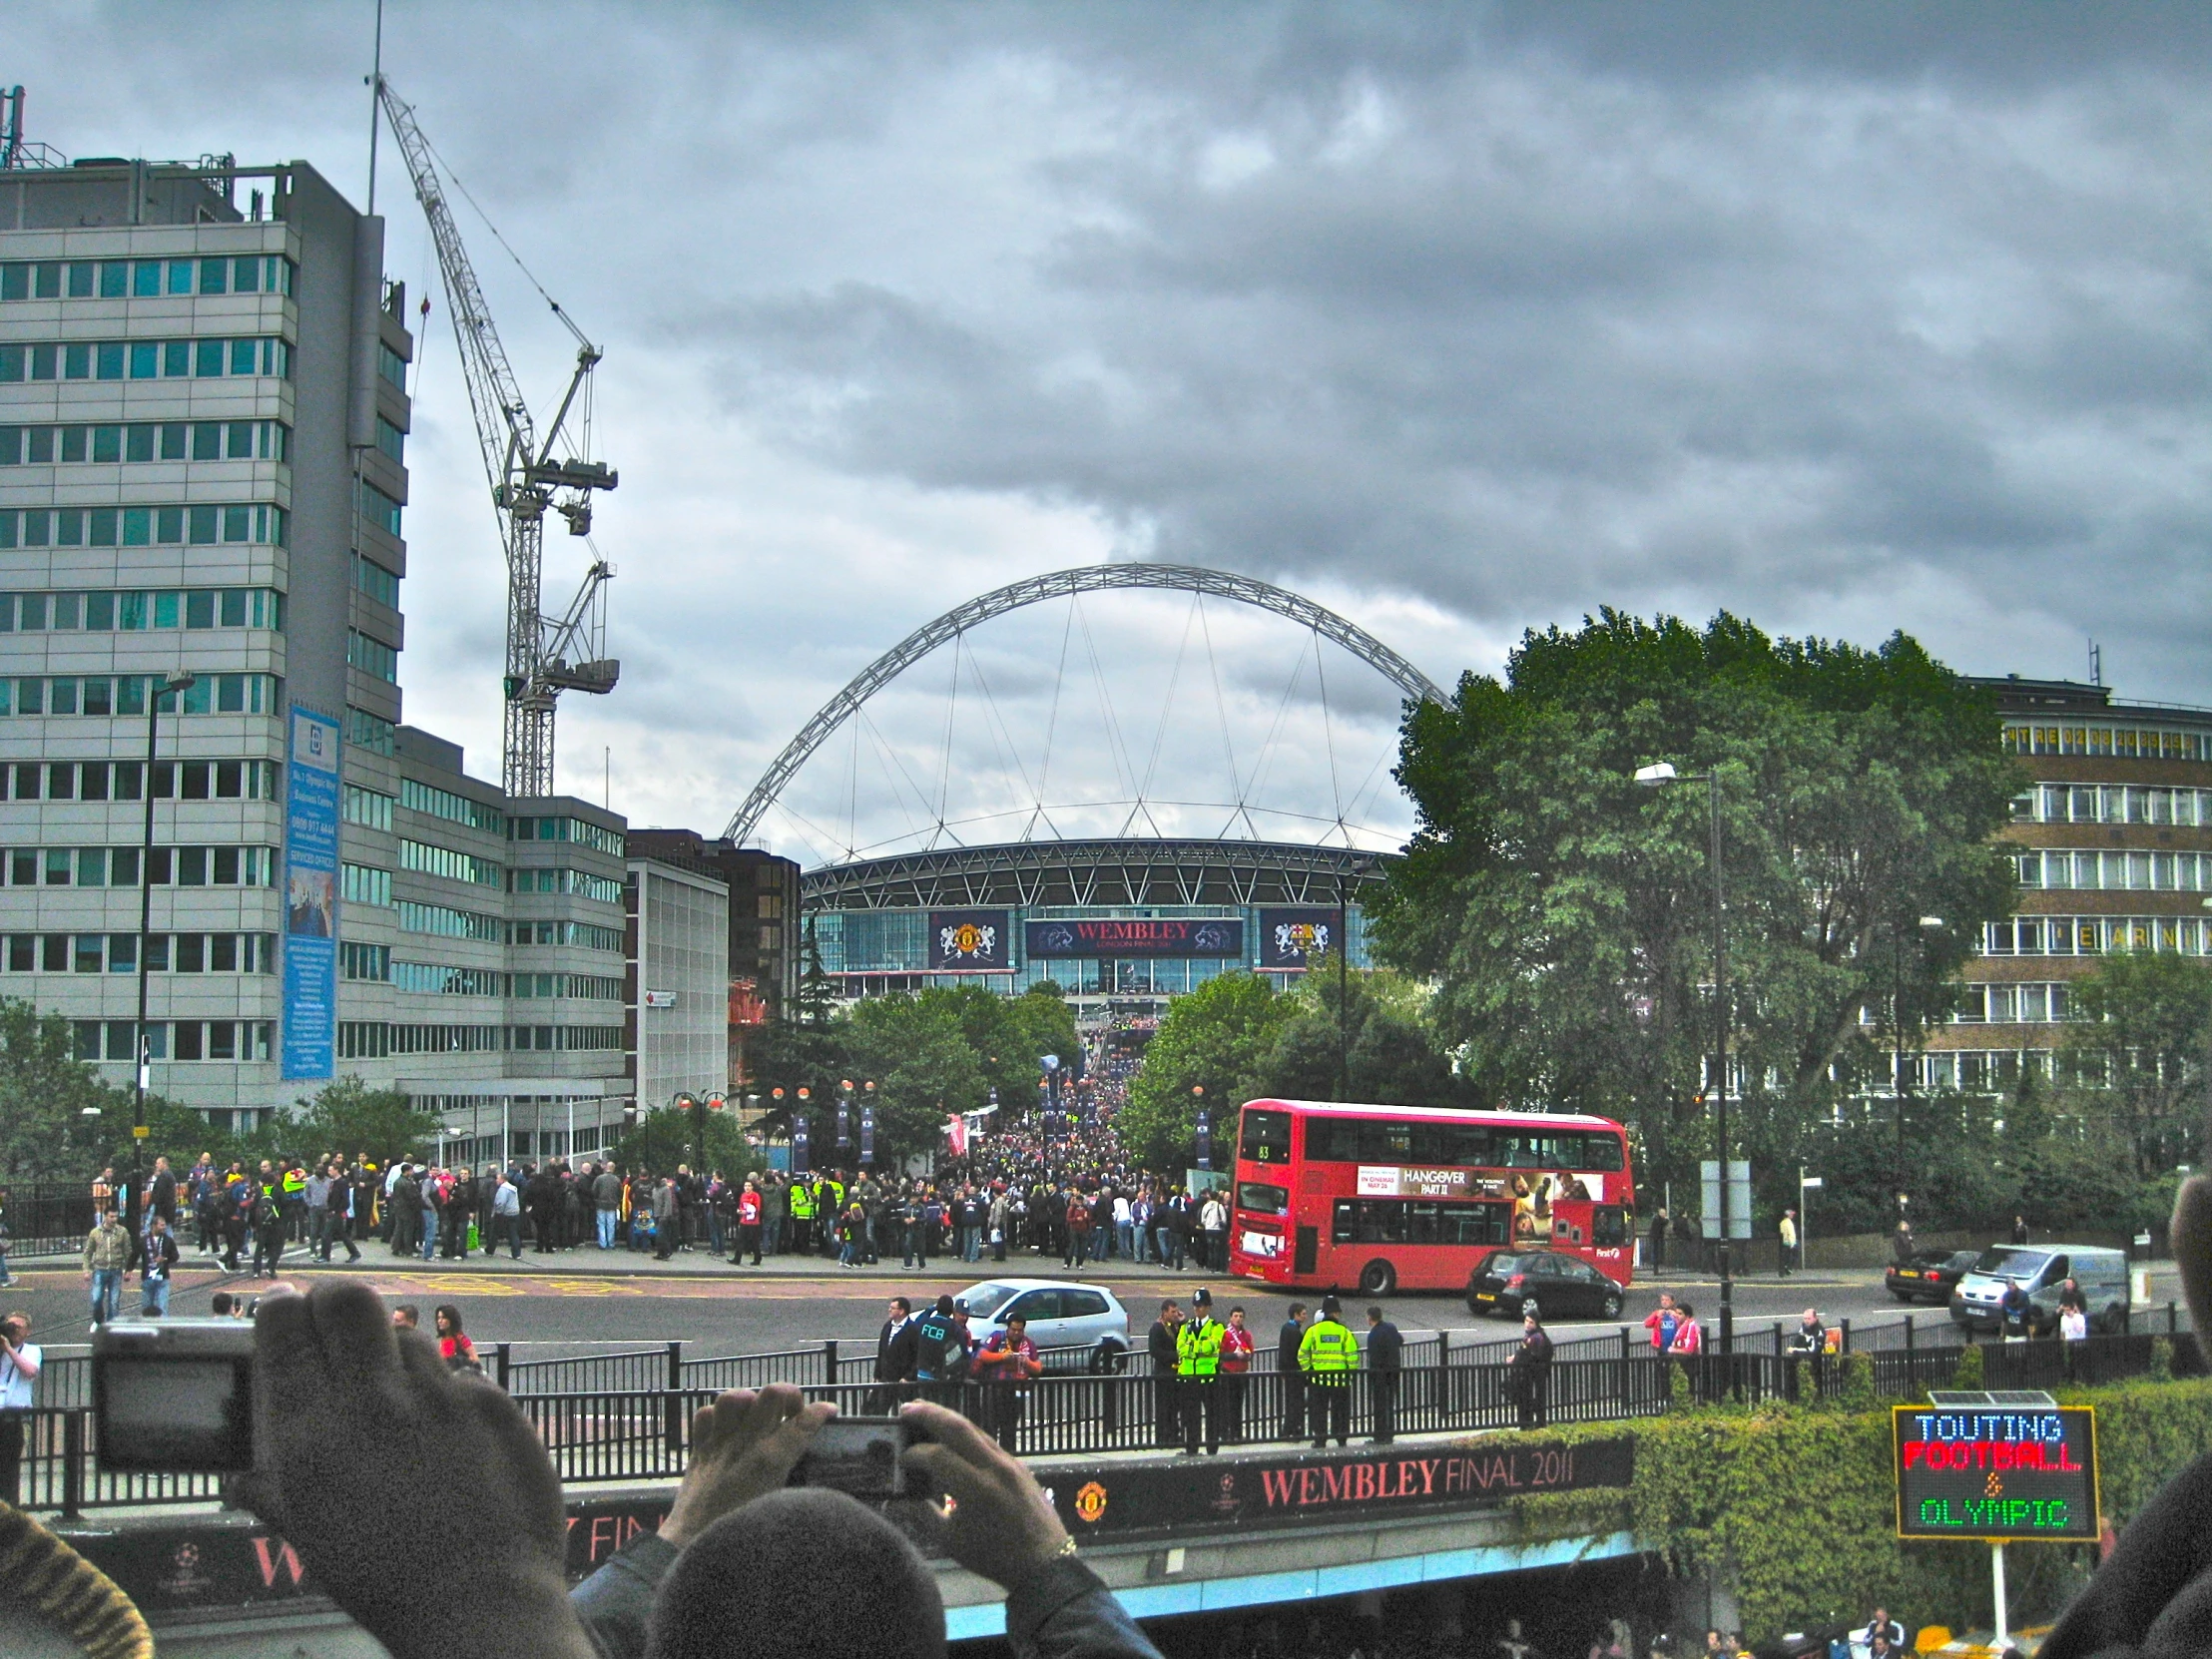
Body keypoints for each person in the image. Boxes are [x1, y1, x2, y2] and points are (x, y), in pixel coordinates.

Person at [973, 1312, 1043, 1450]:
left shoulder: (1028, 1343)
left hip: (1016, 1391)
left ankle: (1008, 1457)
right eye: (1013, 1329)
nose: (1016, 1333)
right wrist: (1002, 1357)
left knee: (1009, 1429)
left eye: (1020, 1330)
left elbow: (1038, 1368)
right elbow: (982, 1355)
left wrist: (1027, 1362)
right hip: (994, 1389)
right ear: (1008, 1328)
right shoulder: (997, 1337)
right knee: (990, 1427)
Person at [1299, 1294, 1358, 1448]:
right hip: (1340, 1380)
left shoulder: (1312, 1331)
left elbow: (1302, 1354)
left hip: (1318, 1380)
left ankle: (1320, 1440)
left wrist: (1309, 1370)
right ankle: (1341, 1439)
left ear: (1324, 1313)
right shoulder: (1344, 1332)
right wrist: (1350, 1373)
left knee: (1319, 1412)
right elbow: (1352, 1357)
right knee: (1341, 1412)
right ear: (1337, 1313)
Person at [1176, 1287, 1225, 1456]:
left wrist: (1192, 1348)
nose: (1197, 1309)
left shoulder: (1216, 1326)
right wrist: (1198, 1349)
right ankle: (1192, 1449)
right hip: (1189, 1378)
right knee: (1190, 1418)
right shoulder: (1186, 1326)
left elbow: (1212, 1346)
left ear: (1208, 1307)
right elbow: (1180, 1348)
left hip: (1208, 1378)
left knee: (1212, 1416)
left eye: (1201, 1306)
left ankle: (1212, 1449)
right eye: (1195, 1305)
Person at [0, 1312, 40, 1507]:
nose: (13, 1330)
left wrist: (8, 1349)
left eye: (18, 1327)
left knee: (9, 1467)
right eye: (10, 1326)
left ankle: (10, 1509)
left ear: (28, 1332)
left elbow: (30, 1371)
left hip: (15, 1418)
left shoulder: (32, 1350)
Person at [869, 1297, 917, 1413]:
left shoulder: (912, 1329)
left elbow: (917, 1356)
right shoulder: (887, 1327)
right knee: (879, 1411)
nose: (889, 1310)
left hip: (903, 1381)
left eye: (892, 1308)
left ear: (901, 1311)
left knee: (911, 1411)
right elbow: (881, 1352)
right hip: (887, 1379)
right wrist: (877, 1375)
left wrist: (908, 1376)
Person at [1509, 1307, 1554, 1430]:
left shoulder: (1535, 1337)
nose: (1528, 1324)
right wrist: (1515, 1356)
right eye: (1526, 1321)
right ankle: (1536, 1422)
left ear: (1536, 1323)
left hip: (1534, 1372)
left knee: (1529, 1399)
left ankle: (1529, 1424)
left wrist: (1516, 1358)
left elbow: (1529, 1353)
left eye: (1531, 1322)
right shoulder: (1536, 1335)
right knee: (1535, 1398)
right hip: (1535, 1372)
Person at [1147, 1300, 1182, 1448]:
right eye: (1172, 1312)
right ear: (1164, 1312)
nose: (1175, 1314)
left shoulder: (1175, 1326)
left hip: (1175, 1373)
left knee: (1174, 1406)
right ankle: (1163, 1437)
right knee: (1163, 1407)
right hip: (1163, 1374)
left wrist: (1182, 1321)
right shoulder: (1157, 1328)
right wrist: (1174, 1355)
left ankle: (1174, 1435)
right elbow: (1155, 1351)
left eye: (1176, 1311)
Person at [83, 1208, 129, 1324]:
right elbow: (88, 1252)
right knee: (96, 1298)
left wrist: (128, 1270)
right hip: (99, 1270)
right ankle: (98, 1321)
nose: (114, 1219)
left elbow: (127, 1251)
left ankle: (111, 1325)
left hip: (116, 1270)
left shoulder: (122, 1232)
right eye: (111, 1216)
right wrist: (86, 1269)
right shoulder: (95, 1232)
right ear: (105, 1217)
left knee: (114, 1302)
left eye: (116, 1217)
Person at [1366, 1305, 1402, 1444]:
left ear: (1370, 1318)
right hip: (1394, 1371)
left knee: (1380, 1405)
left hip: (1380, 1374)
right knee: (1389, 1403)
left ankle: (1380, 1436)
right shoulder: (1391, 1327)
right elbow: (1400, 1341)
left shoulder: (1373, 1335)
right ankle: (1389, 1433)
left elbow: (1373, 1357)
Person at [1219, 1306, 1255, 1443]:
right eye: (1235, 1316)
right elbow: (1220, 1354)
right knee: (1227, 1405)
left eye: (1240, 1316)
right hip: (1229, 1373)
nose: (1238, 1319)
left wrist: (1246, 1355)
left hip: (1241, 1373)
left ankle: (1237, 1433)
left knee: (1238, 1405)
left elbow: (1251, 1352)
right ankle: (1226, 1433)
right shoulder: (1226, 1334)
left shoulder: (1246, 1335)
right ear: (1231, 1317)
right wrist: (1234, 1355)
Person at [1277, 1303, 1309, 1441]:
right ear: (1296, 1315)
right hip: (1295, 1373)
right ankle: (1295, 1430)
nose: (1305, 1316)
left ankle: (1287, 1430)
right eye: (1303, 1314)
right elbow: (1297, 1354)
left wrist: (1282, 1369)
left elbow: (1282, 1351)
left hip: (1288, 1371)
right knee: (1297, 1403)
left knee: (1291, 1401)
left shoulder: (1286, 1328)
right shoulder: (1295, 1332)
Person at [139, 1214, 180, 1318]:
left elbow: (175, 1256)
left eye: (164, 1225)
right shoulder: (143, 1240)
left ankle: (163, 1329)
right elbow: (135, 1255)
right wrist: (129, 1270)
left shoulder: (168, 1240)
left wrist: (165, 1259)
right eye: (161, 1225)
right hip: (148, 1278)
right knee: (146, 1308)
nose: (164, 1227)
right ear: (154, 1226)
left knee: (163, 1308)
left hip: (163, 1277)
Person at [435, 1305, 481, 1375]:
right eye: (438, 1318)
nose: (440, 1321)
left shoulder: (461, 1339)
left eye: (443, 1318)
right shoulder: (443, 1339)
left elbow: (475, 1360)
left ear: (451, 1320)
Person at [734, 1181, 763, 1266]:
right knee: (740, 1240)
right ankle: (737, 1258)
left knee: (754, 1241)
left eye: (749, 1186)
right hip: (744, 1221)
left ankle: (757, 1258)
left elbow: (757, 1208)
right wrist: (740, 1211)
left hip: (753, 1222)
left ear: (752, 1187)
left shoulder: (755, 1196)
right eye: (745, 1186)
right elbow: (741, 1206)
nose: (747, 1187)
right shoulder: (743, 1195)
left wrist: (745, 1212)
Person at [1778, 1208, 1798, 1278]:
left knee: (1784, 1258)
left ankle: (1782, 1272)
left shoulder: (1782, 1223)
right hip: (1791, 1243)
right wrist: (1792, 1244)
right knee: (1793, 1256)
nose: (1792, 1215)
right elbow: (1790, 1234)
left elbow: (1782, 1233)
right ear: (1788, 1215)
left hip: (1784, 1242)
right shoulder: (1789, 1223)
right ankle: (1788, 1269)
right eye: (1791, 1214)